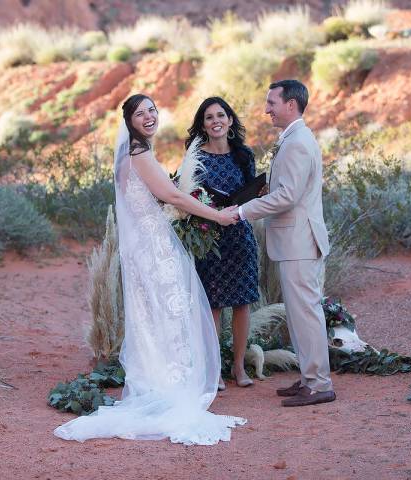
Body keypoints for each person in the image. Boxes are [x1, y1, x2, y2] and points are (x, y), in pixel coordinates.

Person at [54, 94, 246, 445]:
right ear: (129, 122)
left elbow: (166, 194)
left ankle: (161, 381)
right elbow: (171, 197)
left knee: (157, 314)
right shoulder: (139, 154)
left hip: (147, 244)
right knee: (171, 311)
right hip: (154, 247)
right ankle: (169, 387)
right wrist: (216, 215)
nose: (148, 117)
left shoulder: (138, 154)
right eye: (140, 114)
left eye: (152, 110)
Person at [236, 80, 336, 407]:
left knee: (305, 314)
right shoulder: (293, 138)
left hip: (299, 241)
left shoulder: (297, 142)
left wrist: (242, 211)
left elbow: (289, 197)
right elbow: (288, 188)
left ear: (290, 105)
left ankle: (319, 383)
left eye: (271, 103)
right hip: (295, 241)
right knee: (298, 314)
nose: (266, 110)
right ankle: (310, 377)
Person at [184, 97, 259, 390]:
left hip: (240, 234)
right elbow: (187, 195)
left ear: (229, 120)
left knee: (242, 303)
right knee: (213, 305)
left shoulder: (244, 155)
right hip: (210, 238)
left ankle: (238, 366)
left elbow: (251, 193)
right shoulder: (196, 157)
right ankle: (214, 370)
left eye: (220, 115)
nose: (215, 121)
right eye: (209, 117)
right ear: (202, 125)